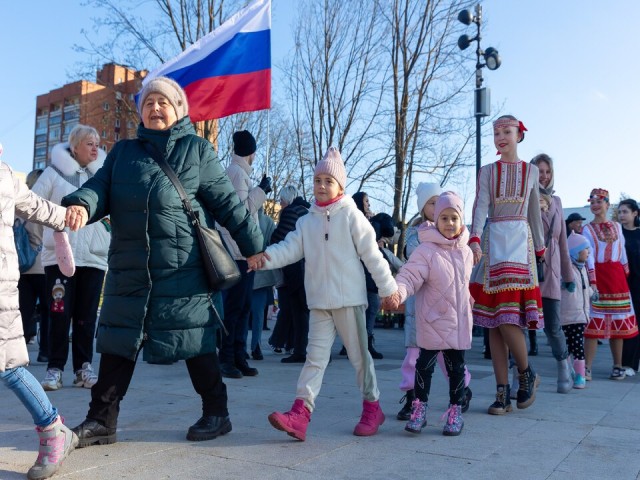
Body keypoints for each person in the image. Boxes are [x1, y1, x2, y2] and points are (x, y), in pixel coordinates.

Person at [62, 77, 263, 446]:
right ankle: (101, 421)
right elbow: (99, 188)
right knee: (118, 342)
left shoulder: (197, 151)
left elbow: (228, 205)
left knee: (195, 341)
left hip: (182, 268)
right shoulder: (123, 153)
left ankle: (216, 413)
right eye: (149, 102)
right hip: (130, 266)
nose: (155, 108)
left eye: (163, 103)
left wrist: (254, 245)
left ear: (178, 110)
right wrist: (80, 203)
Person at [254, 147, 397, 441]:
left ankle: (372, 407)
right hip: (319, 303)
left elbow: (372, 255)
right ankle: (300, 414)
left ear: (340, 186)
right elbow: (288, 248)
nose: (321, 186)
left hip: (350, 302)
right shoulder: (307, 221)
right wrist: (264, 257)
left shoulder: (352, 217)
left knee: (360, 358)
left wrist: (389, 289)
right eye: (317, 180)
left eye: (328, 181)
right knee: (314, 359)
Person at [0, 142, 78, 479]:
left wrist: (70, 215)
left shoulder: (5, 177)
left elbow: (38, 206)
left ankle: (52, 428)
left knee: (8, 367)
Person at [469, 115, 545, 414]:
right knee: (493, 321)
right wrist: (474, 238)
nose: (501, 136)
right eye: (496, 132)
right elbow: (480, 205)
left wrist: (540, 247)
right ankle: (501, 391)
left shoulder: (531, 171)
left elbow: (534, 212)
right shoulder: (487, 171)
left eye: (507, 131)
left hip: (519, 244)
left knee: (509, 317)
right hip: (493, 243)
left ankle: (526, 373)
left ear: (519, 135)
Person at [385, 191, 473, 436]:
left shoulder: (466, 252)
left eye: (454, 218)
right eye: (443, 218)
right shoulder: (426, 251)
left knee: (456, 368)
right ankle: (419, 407)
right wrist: (397, 293)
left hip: (458, 323)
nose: (449, 223)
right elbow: (409, 276)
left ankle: (455, 409)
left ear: (461, 220)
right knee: (424, 366)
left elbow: (465, 285)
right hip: (433, 321)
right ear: (436, 220)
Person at [31, 125, 109, 391]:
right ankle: (55, 368)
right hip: (59, 259)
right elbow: (33, 205)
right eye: (89, 143)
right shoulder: (53, 173)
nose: (95, 147)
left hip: (94, 258)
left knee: (87, 316)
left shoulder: (103, 177)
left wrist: (107, 228)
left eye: (97, 143)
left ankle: (83, 368)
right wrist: (54, 225)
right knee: (59, 314)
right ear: (74, 146)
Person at [218, 129, 271, 379]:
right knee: (235, 309)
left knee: (243, 307)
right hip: (237, 252)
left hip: (243, 251)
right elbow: (240, 213)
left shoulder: (238, 173)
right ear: (251, 152)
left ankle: (238, 356)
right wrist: (261, 190)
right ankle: (227, 358)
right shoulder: (237, 174)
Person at [582, 188, 638, 380]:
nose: (595, 205)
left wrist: (626, 273)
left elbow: (621, 253)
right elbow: (588, 257)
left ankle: (617, 365)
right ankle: (587, 367)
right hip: (598, 276)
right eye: (592, 202)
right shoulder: (587, 229)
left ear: (607, 204)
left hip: (617, 278)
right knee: (592, 325)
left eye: (600, 201)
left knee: (618, 324)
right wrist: (592, 281)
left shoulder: (617, 226)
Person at [530, 154, 574, 394]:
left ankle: (563, 368)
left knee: (553, 327)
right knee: (522, 323)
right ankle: (520, 373)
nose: (544, 175)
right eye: (540, 171)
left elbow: (563, 243)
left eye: (547, 171)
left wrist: (568, 276)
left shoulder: (557, 201)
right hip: (528, 269)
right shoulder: (525, 197)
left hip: (552, 272)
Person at [270, 185, 310, 364]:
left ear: (287, 200)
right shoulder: (307, 211)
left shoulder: (290, 212)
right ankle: (315, 351)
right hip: (311, 267)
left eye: (281, 201)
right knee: (310, 312)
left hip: (296, 269)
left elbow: (279, 238)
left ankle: (301, 351)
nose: (280, 204)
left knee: (298, 311)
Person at [18, 169, 48, 360]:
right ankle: (45, 351)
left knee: (22, 311)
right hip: (45, 265)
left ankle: (17, 352)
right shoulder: (46, 205)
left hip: (23, 266)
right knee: (48, 311)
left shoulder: (19, 205)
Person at [560, 233, 593, 389]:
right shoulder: (567, 269)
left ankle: (577, 375)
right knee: (568, 346)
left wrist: (593, 294)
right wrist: (564, 284)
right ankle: (573, 374)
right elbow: (561, 284)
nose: (589, 252)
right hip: (568, 315)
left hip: (580, 315)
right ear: (576, 251)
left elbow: (584, 289)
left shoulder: (582, 269)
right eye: (586, 249)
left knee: (577, 345)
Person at [249, 208, 281, 361]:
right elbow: (273, 243)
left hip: (247, 270)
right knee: (257, 314)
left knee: (243, 313)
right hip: (261, 272)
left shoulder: (243, 215)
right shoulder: (267, 221)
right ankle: (255, 346)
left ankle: (243, 347)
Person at [619, 199, 640, 375]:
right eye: (620, 212)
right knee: (627, 323)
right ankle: (626, 363)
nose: (622, 215)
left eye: (625, 211)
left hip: (638, 284)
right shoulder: (617, 233)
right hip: (623, 284)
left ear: (635, 213)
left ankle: (634, 363)